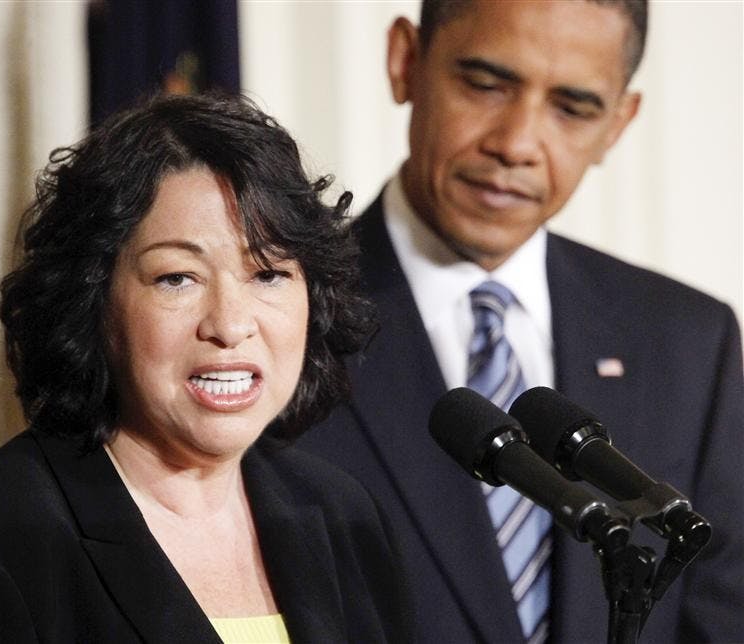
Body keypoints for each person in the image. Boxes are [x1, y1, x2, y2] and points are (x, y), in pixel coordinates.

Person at [295, 1, 744, 643]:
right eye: (484, 84)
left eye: (573, 107)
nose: (515, 143)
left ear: (619, 123)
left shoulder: (689, 342)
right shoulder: (280, 322)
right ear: (405, 63)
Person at [0, 92, 411, 643]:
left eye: (268, 274)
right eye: (177, 278)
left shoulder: (345, 520)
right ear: (92, 302)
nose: (230, 324)